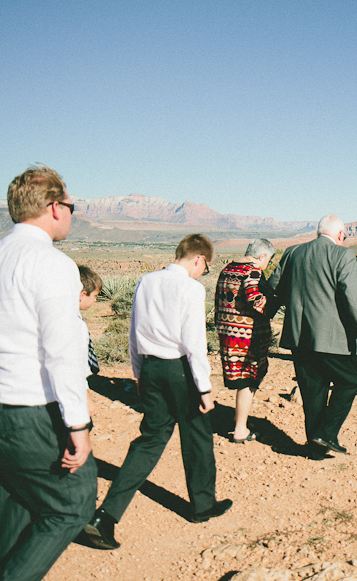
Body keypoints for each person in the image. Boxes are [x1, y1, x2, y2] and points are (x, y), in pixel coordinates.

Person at [0, 165, 96, 580]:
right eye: (72, 206)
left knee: (13, 501)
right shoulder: (53, 264)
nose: (73, 213)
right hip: (28, 411)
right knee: (72, 505)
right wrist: (79, 425)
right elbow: (61, 354)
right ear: (55, 207)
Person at [85, 234, 231, 550]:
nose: (202, 274)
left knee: (149, 441)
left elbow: (134, 331)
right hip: (179, 370)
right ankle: (202, 506)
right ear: (199, 259)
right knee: (197, 436)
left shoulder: (147, 281)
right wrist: (204, 387)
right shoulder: (191, 288)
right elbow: (194, 341)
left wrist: (138, 373)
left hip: (150, 369)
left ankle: (105, 517)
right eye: (205, 268)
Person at [268, 215, 357, 457]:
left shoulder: (293, 253)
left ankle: (315, 447)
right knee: (349, 381)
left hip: (299, 335)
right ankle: (326, 433)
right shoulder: (343, 255)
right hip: (335, 338)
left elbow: (274, 285)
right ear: (339, 235)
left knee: (312, 390)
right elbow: (351, 298)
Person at [215, 238, 277, 443]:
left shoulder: (228, 268)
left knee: (242, 378)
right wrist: (274, 304)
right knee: (248, 379)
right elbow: (254, 298)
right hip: (247, 337)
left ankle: (238, 416)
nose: (267, 264)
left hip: (227, 333)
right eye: (268, 260)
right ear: (262, 256)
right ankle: (240, 429)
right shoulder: (253, 271)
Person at [78, 265, 103, 416]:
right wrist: (87, 400)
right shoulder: (76, 326)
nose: (95, 301)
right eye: (94, 296)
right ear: (82, 294)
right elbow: (75, 366)